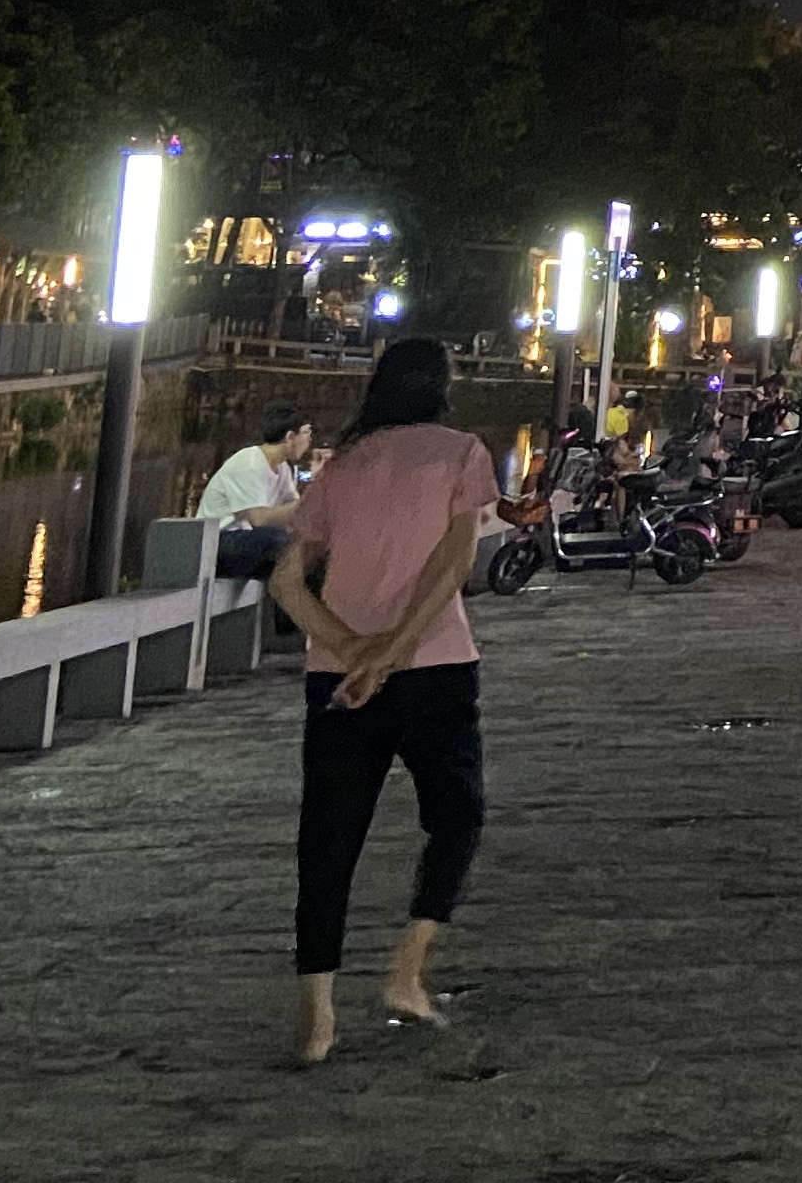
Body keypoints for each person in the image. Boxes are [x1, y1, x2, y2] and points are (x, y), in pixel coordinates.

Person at [267, 335, 499, 1065]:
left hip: (335, 677)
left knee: (327, 840)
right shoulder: (462, 454)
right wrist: (393, 652)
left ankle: (316, 1016)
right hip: (436, 666)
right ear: (442, 385)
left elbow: (285, 582)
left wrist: (352, 649)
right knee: (456, 817)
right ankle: (407, 970)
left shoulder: (343, 464)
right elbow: (454, 562)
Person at [198, 411, 319, 582]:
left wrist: (318, 481)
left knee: (308, 551)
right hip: (218, 542)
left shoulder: (282, 468)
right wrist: (309, 501)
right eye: (306, 433)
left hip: (249, 541)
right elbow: (259, 519)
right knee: (277, 540)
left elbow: (296, 514)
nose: (310, 440)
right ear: (290, 437)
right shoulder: (250, 462)